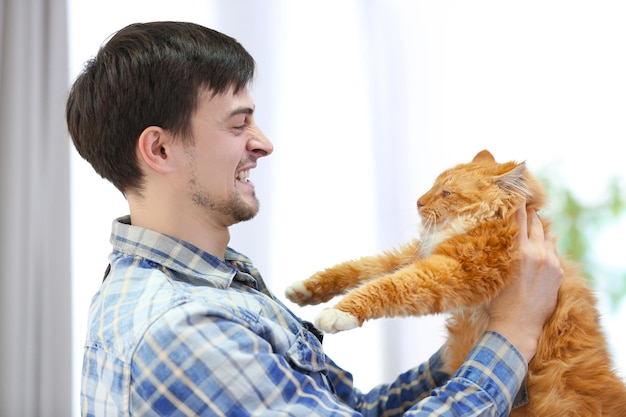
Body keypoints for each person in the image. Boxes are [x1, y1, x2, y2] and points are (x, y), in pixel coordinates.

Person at [66, 21, 563, 416]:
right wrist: (513, 333)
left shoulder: (212, 283)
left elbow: (352, 409)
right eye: (239, 123)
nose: (263, 142)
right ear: (159, 148)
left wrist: (481, 335)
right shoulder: (183, 328)